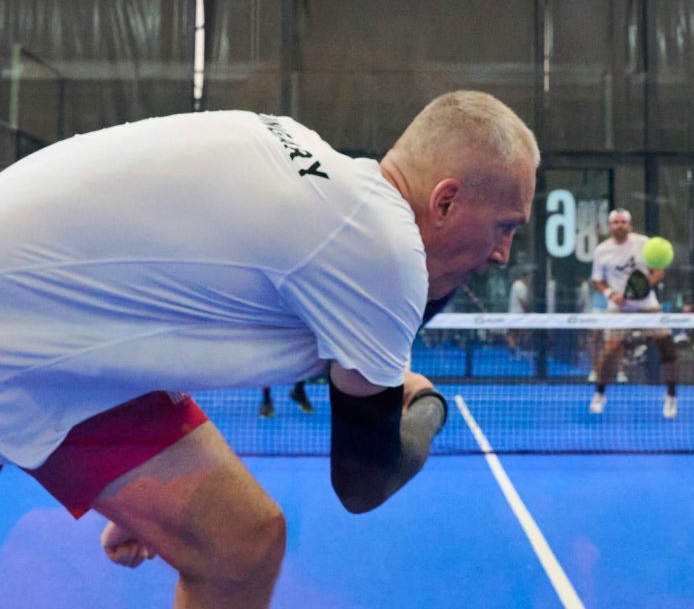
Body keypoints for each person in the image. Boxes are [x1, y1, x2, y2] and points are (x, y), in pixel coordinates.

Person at [0, 90, 539, 608]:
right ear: (445, 201)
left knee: (237, 546)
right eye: (504, 227)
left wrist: (143, 500)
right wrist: (427, 403)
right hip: (20, 327)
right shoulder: (382, 251)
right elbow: (364, 482)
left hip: (50, 329)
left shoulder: (314, 172)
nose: (502, 253)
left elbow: (157, 293)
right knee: (237, 544)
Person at [588, 209, 679, 419]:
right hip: (618, 309)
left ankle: (671, 396)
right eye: (616, 222)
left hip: (648, 306)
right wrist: (611, 294)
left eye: (623, 222)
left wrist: (644, 287)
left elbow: (658, 270)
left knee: (667, 348)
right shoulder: (602, 251)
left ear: (630, 225)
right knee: (610, 351)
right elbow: (597, 280)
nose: (620, 225)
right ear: (610, 226)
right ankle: (600, 394)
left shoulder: (644, 243)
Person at [505, 264, 533, 358]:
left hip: (515, 315)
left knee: (514, 334)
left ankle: (515, 352)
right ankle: (518, 351)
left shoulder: (516, 284)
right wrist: (529, 312)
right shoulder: (521, 286)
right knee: (515, 334)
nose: (531, 280)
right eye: (530, 278)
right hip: (518, 316)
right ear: (526, 277)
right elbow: (522, 302)